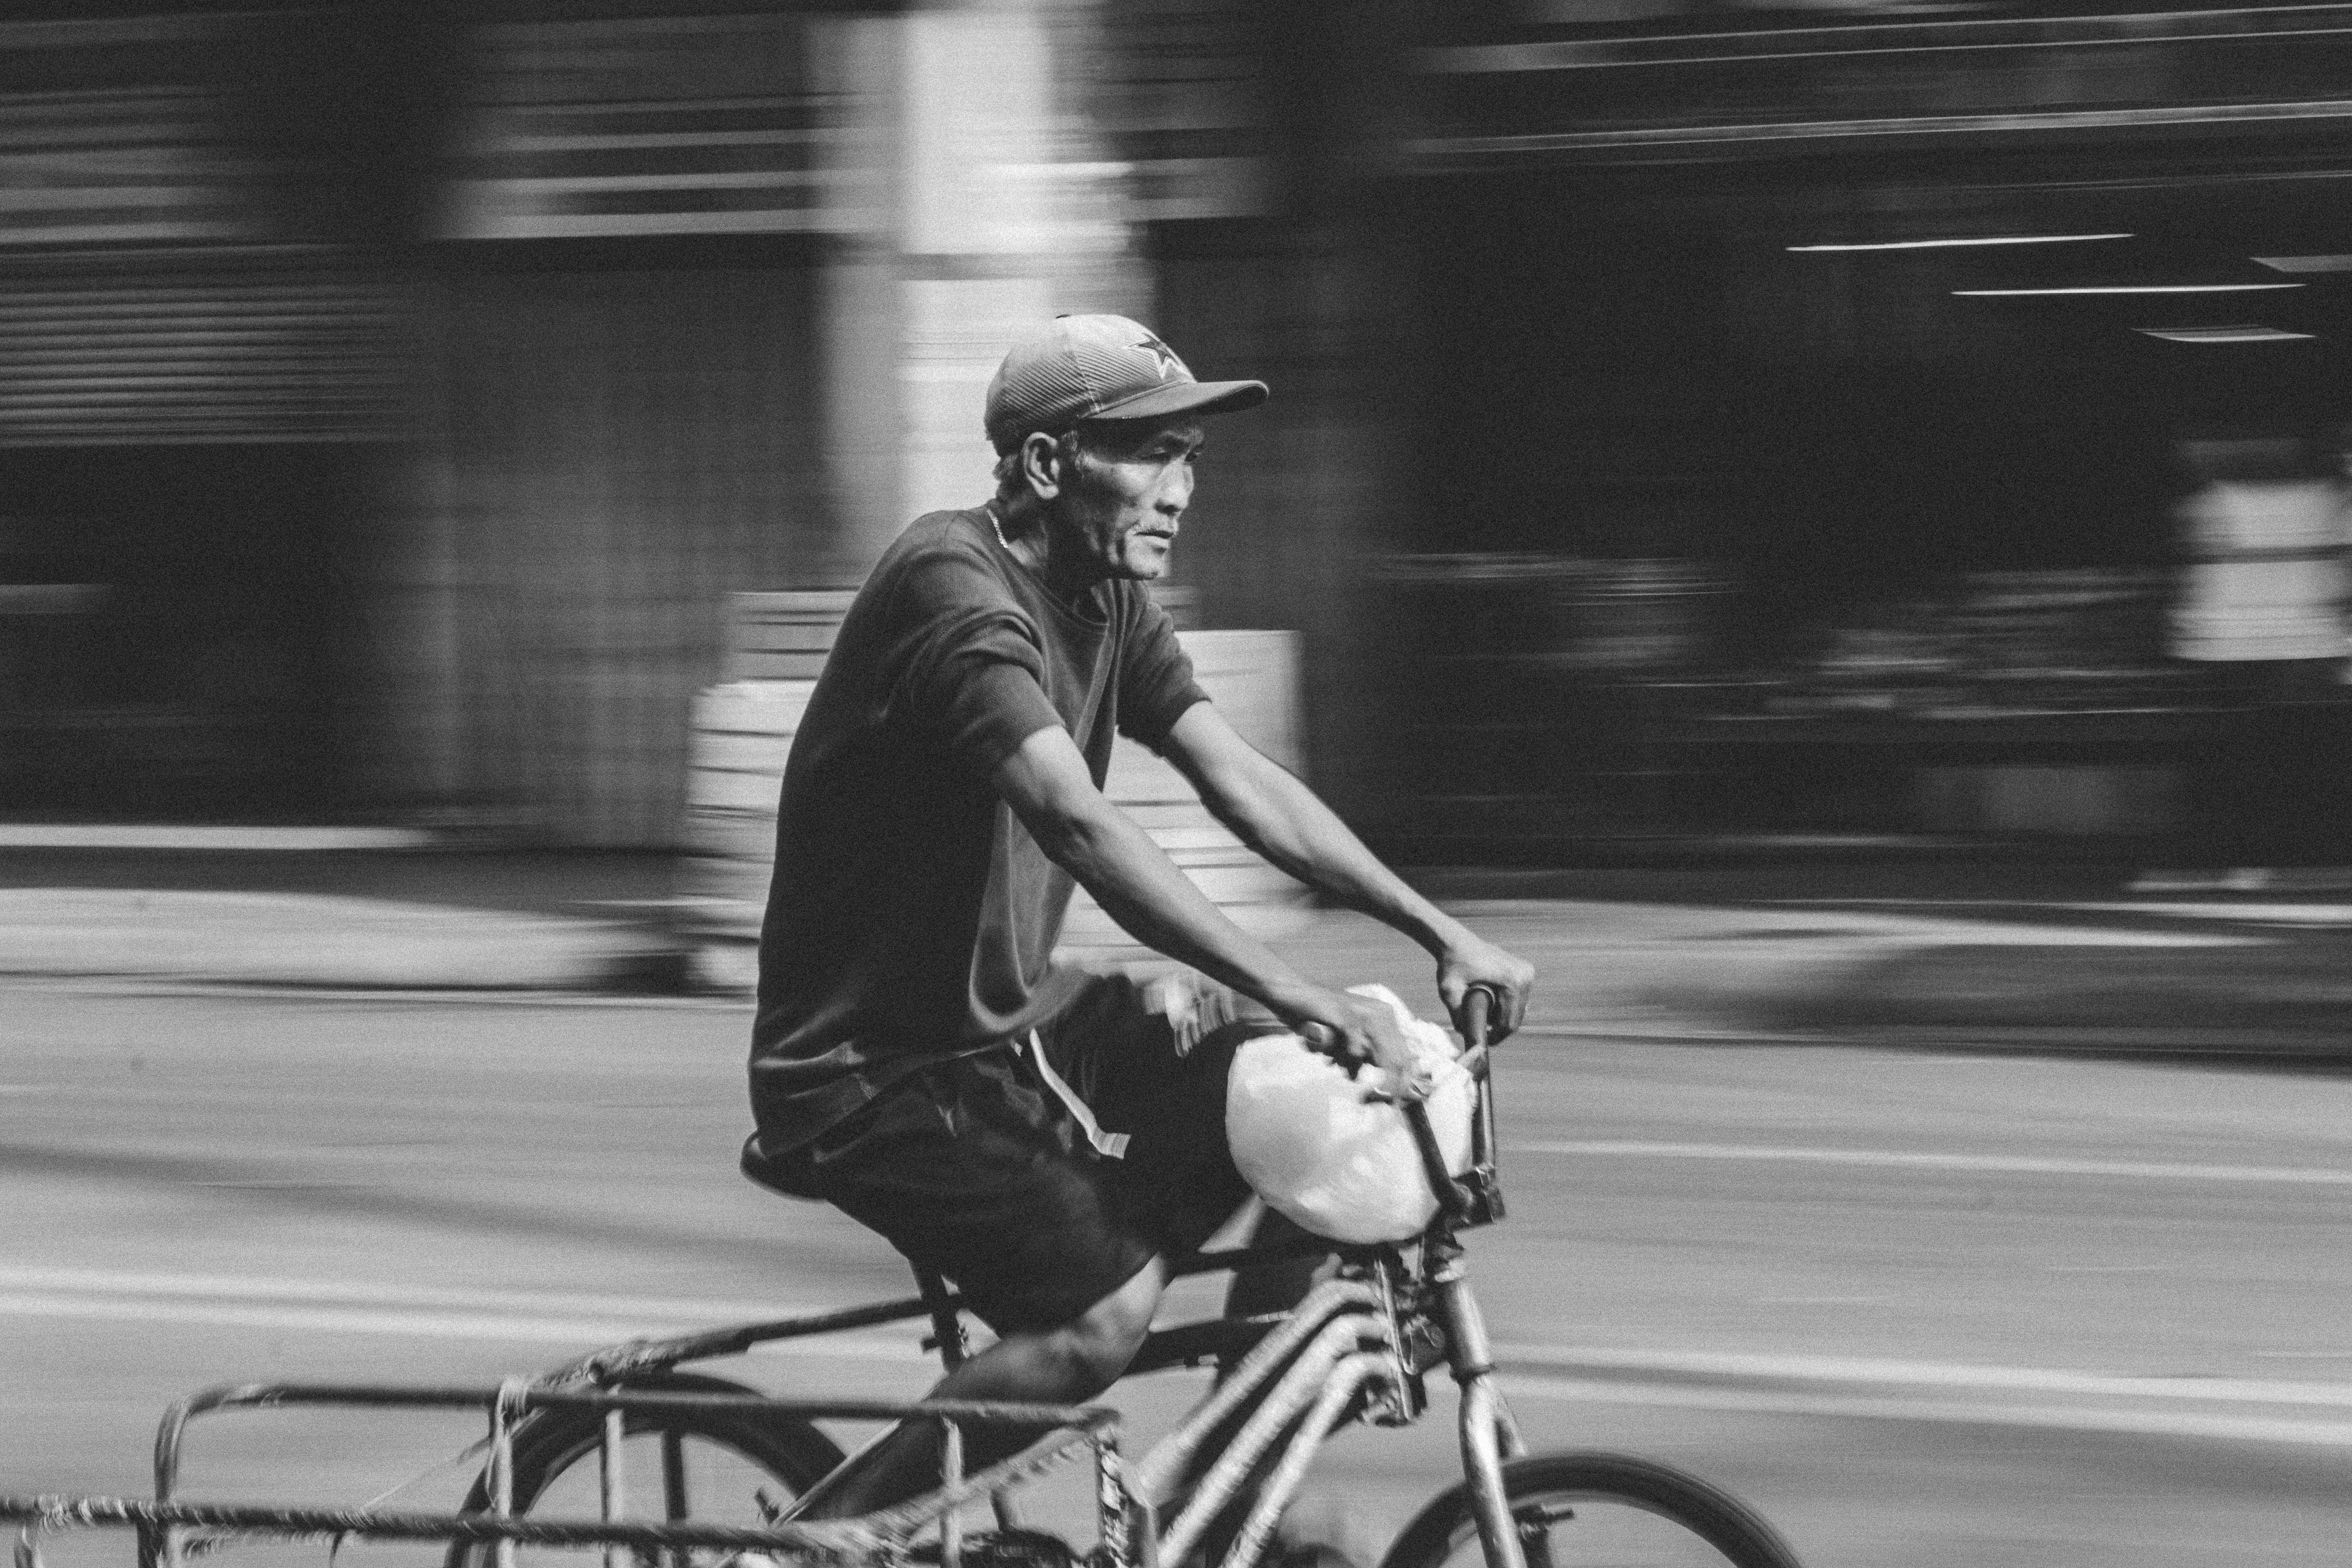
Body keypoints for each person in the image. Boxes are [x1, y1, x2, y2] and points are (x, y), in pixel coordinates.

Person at [741, 313, 1536, 1529]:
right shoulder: (952, 589)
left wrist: (1441, 932)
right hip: (871, 1067)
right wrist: (1293, 983)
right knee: (1099, 1319)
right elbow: (1079, 825)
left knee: (1309, 1108)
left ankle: (1233, 1511)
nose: (1183, 488)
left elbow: (1245, 784)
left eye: (1192, 458)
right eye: (1153, 454)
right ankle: (813, 1548)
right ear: (1050, 467)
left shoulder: (1105, 597)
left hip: (1005, 1020)